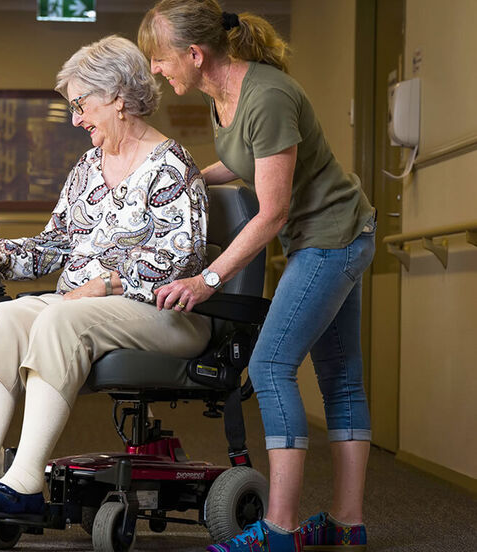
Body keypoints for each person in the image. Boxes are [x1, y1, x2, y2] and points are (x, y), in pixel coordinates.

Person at [0, 35, 211, 520]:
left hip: (163, 314)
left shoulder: (171, 167)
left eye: (80, 105)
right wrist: (3, 255)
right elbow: (59, 244)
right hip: (82, 307)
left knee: (59, 321)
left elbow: (182, 260)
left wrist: (109, 283)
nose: (75, 119)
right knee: (5, 317)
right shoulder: (89, 166)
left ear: (116, 96)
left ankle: (25, 482)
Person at [138, 1, 376, 551]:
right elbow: (250, 161)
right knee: (341, 379)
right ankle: (348, 523)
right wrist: (191, 178)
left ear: (195, 55)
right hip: (325, 238)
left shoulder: (265, 96)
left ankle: (280, 529)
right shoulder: (223, 96)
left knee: (270, 364)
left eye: (159, 58)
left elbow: (271, 212)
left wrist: (208, 280)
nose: (156, 68)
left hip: (333, 238)